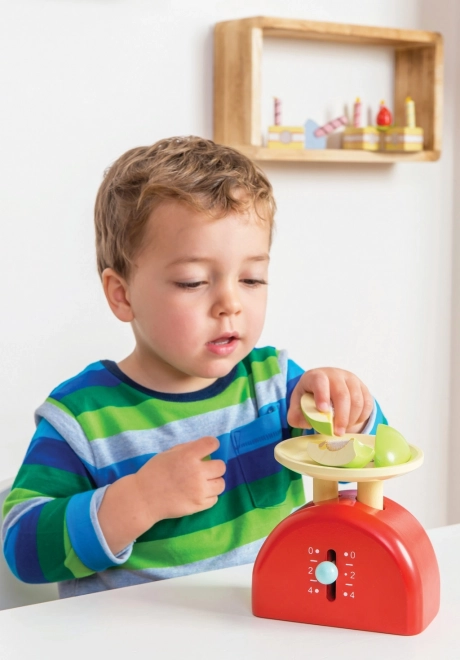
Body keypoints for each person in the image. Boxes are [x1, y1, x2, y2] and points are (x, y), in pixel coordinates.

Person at [1, 136, 386, 598]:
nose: (230, 304)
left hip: (267, 625)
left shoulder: (275, 387)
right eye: (193, 282)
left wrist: (350, 408)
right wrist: (136, 501)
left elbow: (364, 469)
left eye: (251, 279)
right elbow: (21, 549)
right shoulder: (83, 416)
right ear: (122, 294)